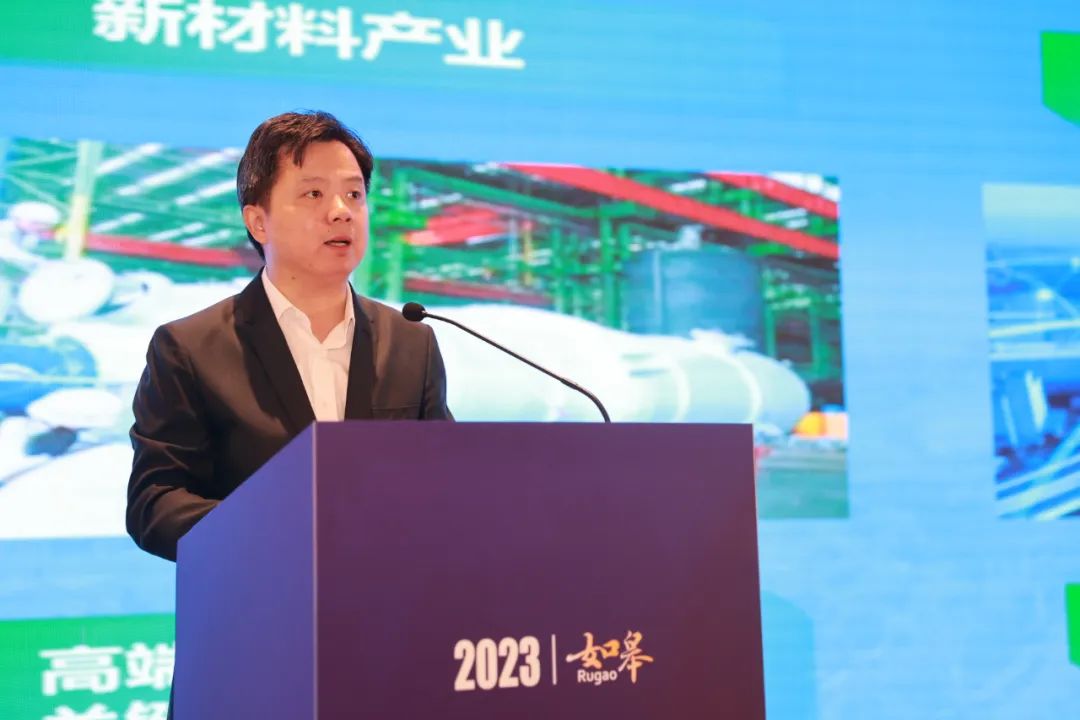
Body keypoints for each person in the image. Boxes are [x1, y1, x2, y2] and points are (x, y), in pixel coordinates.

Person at [126, 111, 453, 563]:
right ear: (258, 222)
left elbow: (445, 480)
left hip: (389, 596)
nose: (341, 210)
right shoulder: (190, 348)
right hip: (259, 596)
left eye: (354, 194)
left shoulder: (411, 342)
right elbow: (155, 503)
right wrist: (277, 528)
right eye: (314, 193)